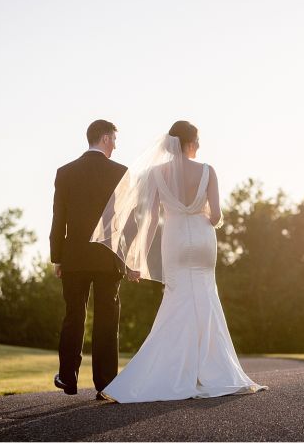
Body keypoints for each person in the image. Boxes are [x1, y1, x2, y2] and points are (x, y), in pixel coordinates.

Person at [90, 120, 269, 403]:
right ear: (190, 143)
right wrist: (202, 211)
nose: (199, 146)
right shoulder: (208, 171)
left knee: (177, 300)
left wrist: (136, 259)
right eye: (197, 141)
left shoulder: (156, 173)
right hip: (202, 240)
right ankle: (213, 371)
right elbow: (216, 216)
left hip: (174, 241)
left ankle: (174, 371)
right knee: (206, 298)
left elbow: (148, 223)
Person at [50, 119, 132, 399]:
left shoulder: (65, 172)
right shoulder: (121, 172)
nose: (116, 146)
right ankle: (106, 384)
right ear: (106, 139)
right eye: (115, 140)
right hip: (109, 258)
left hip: (74, 256)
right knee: (107, 320)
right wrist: (129, 258)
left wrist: (57, 258)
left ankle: (68, 378)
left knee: (74, 315)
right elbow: (128, 222)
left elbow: (58, 219)